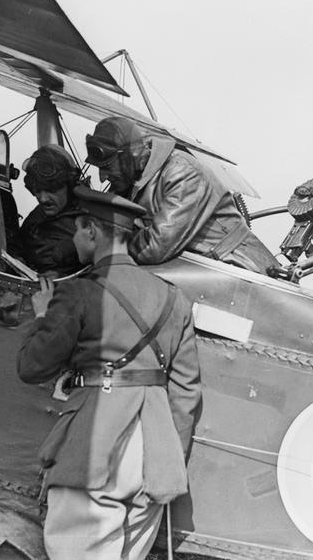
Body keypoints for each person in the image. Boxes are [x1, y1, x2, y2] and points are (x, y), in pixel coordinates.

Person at [16, 186, 201, 560]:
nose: (73, 239)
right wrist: (167, 458)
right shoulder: (174, 298)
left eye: (76, 229)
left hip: (95, 449)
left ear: (91, 231)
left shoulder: (79, 293)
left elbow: (32, 366)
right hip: (155, 458)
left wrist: (42, 315)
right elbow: (186, 394)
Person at [84, 116, 279, 274]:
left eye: (107, 168)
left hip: (240, 268)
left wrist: (101, 246)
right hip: (199, 267)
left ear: (130, 156)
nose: (102, 177)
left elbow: (155, 246)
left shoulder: (183, 173)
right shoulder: (132, 177)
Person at [19, 146, 82, 275]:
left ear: (69, 186)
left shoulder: (90, 221)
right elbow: (17, 244)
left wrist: (60, 275)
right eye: (37, 190)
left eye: (51, 190)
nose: (43, 199)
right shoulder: (36, 217)